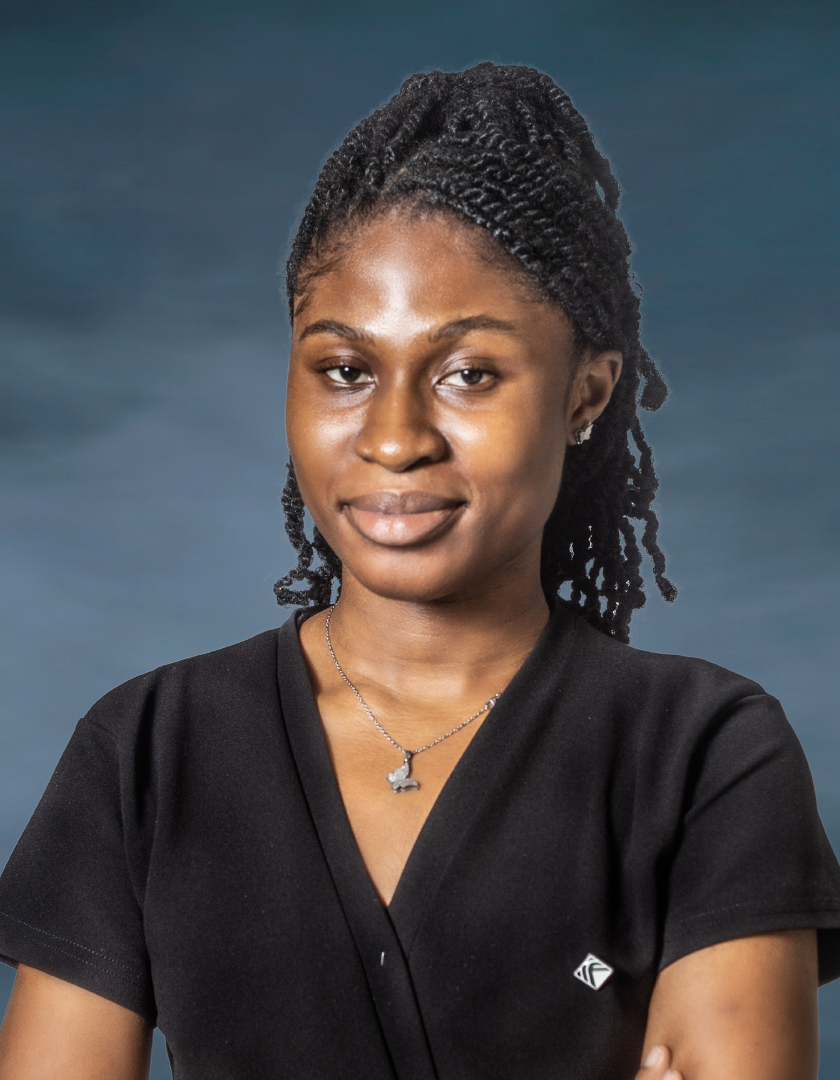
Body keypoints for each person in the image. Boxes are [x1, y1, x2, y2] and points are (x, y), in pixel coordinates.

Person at [0, 62, 838, 1080]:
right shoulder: (145, 752)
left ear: (586, 394)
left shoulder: (703, 754)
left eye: (468, 375)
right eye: (344, 371)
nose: (395, 438)